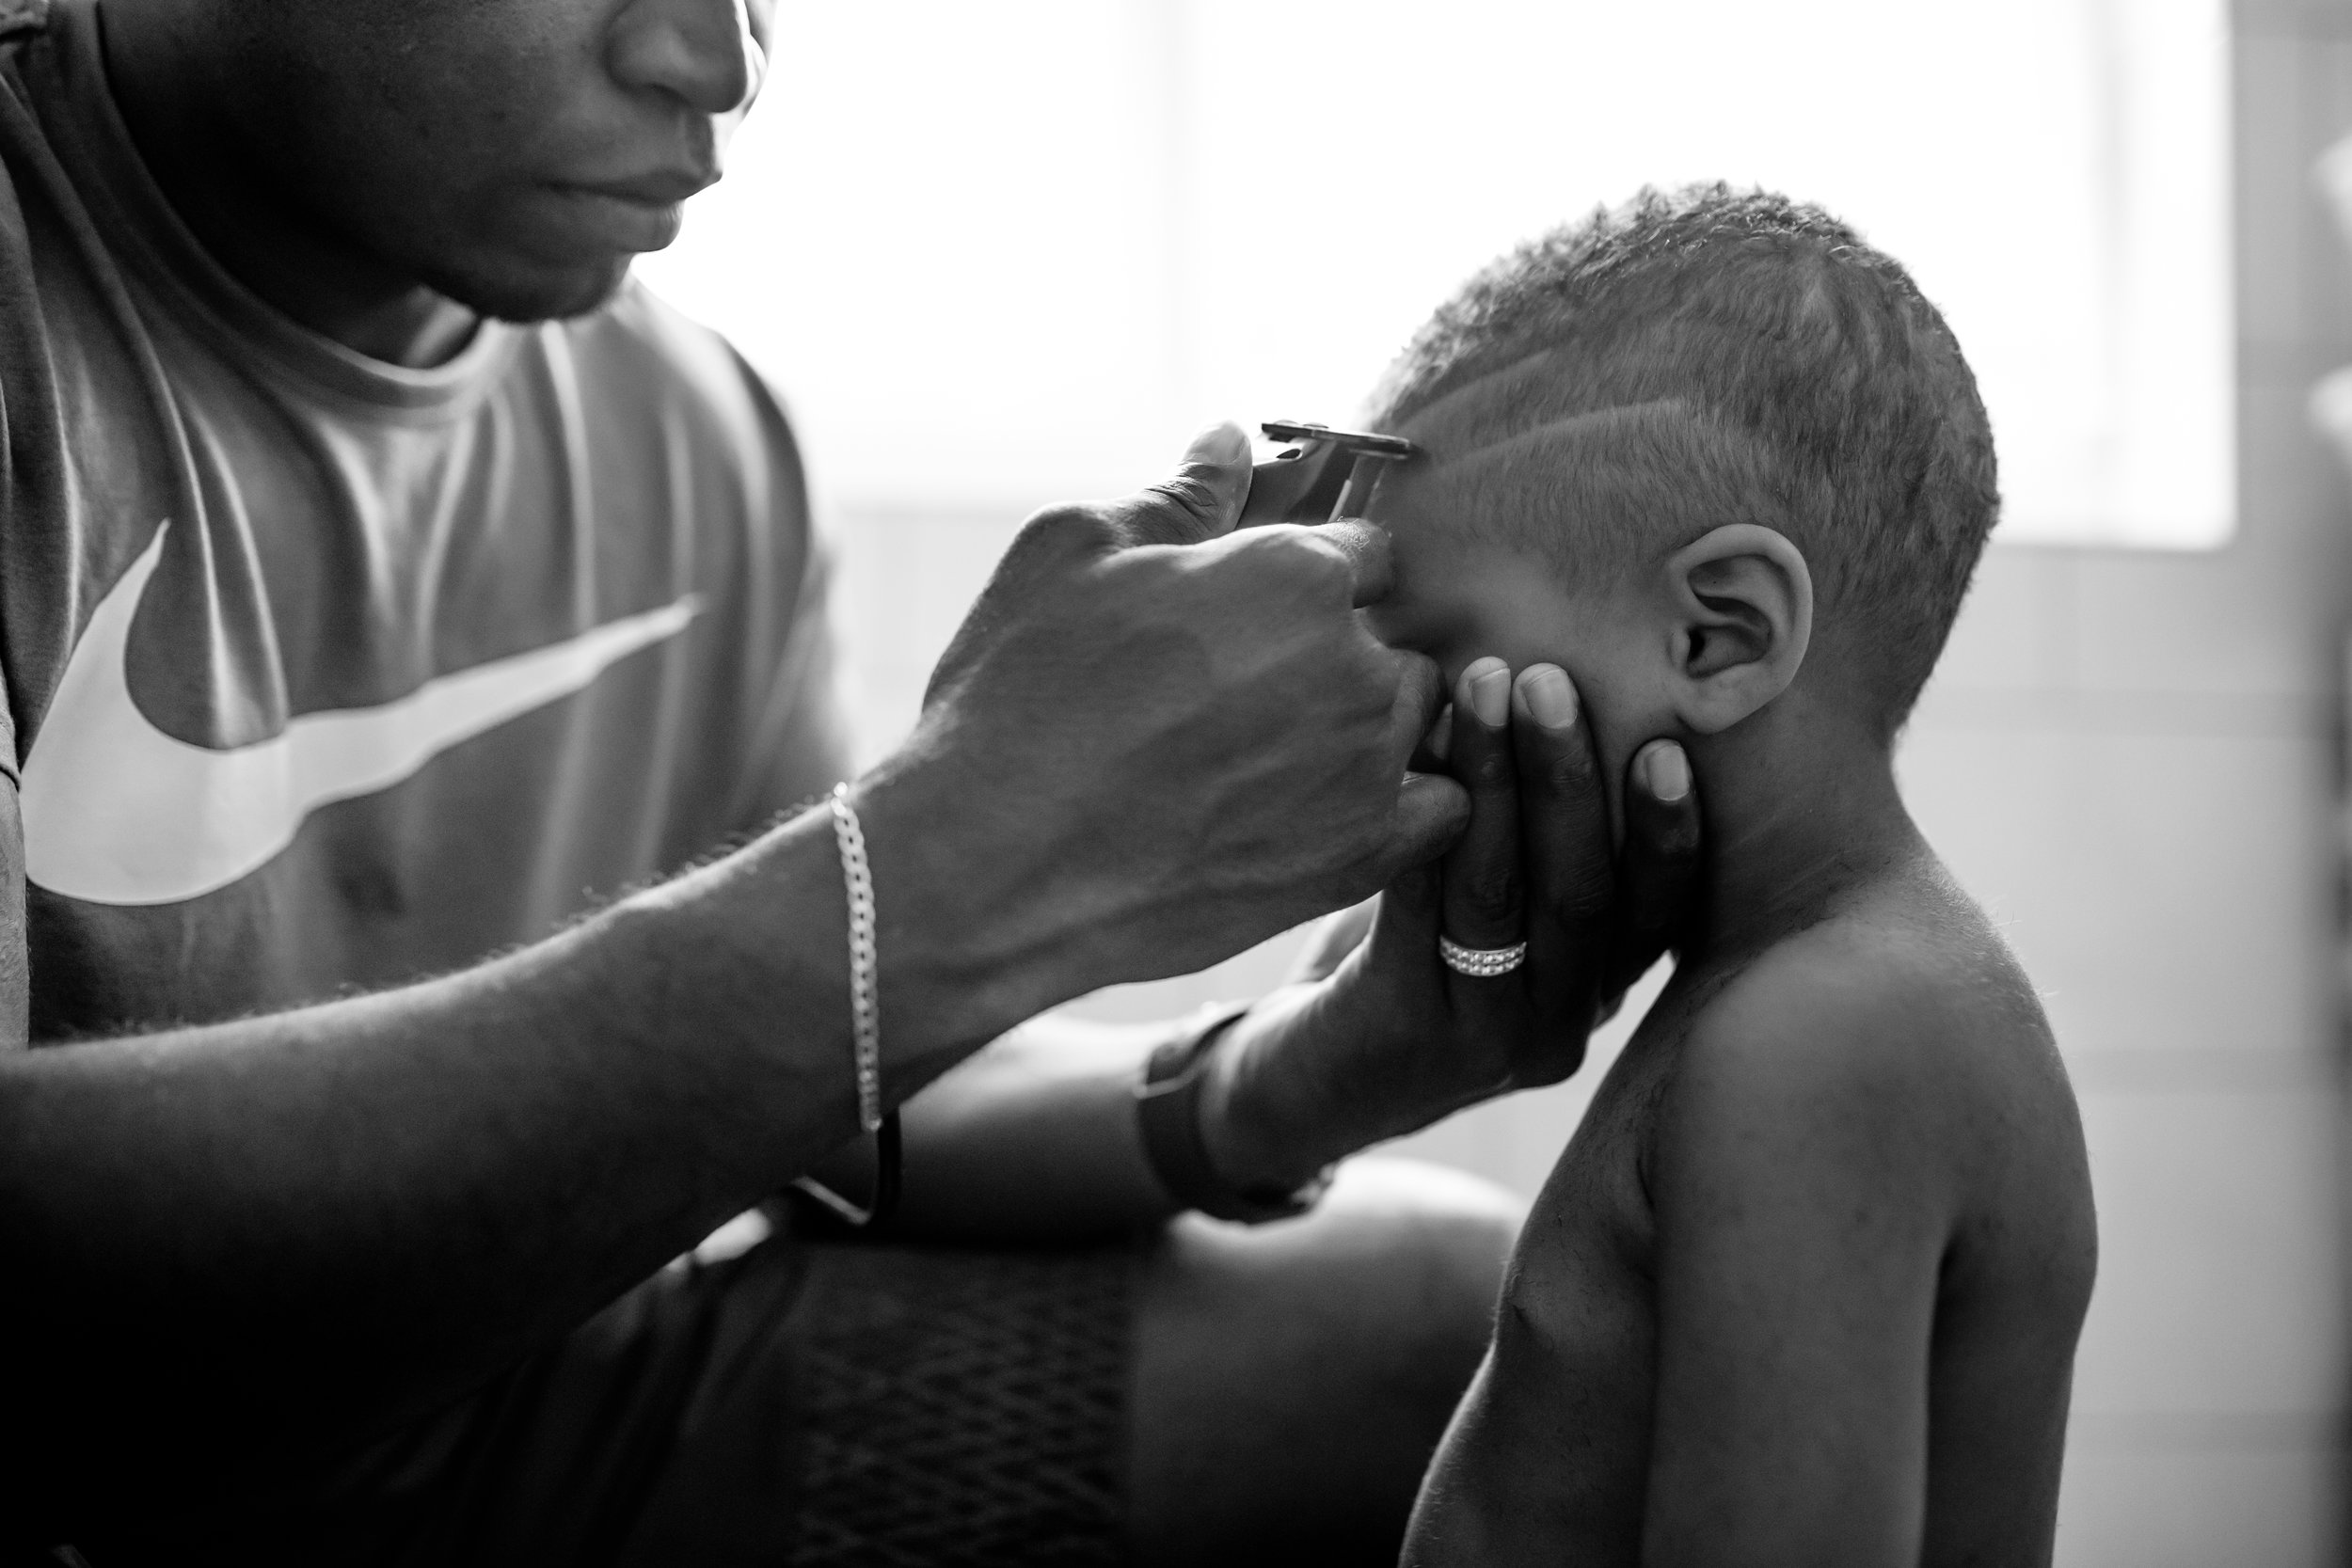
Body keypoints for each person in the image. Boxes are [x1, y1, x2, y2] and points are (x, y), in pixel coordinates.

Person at [0, 1, 1702, 1562]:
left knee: (1460, 1322)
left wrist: (1312, 1065)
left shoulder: (696, 432)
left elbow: (846, 1088)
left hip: (533, 1404)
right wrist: (951, 854)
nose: (716, 62)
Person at [1243, 187, 2097, 1563]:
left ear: (1719, 636)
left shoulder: (1824, 1038)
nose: (1390, 715)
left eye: (1429, 647)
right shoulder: (1799, 994)